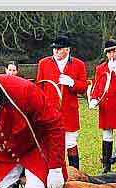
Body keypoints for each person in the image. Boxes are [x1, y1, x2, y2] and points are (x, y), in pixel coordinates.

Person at [36, 35, 88, 169]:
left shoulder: (78, 64)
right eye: (54, 49)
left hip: (69, 112)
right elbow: (39, 87)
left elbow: (83, 87)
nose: (56, 51)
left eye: (59, 49)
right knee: (50, 144)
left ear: (67, 50)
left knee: (71, 143)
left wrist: (72, 83)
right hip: (49, 112)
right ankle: (50, 170)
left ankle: (75, 172)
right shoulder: (44, 63)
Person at [89, 39, 116, 174]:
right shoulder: (101, 68)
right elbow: (97, 85)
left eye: (114, 51)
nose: (112, 55)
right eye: (109, 52)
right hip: (106, 106)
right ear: (106, 54)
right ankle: (106, 165)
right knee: (107, 135)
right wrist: (93, 98)